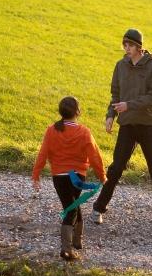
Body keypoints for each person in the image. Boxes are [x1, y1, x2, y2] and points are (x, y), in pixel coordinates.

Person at [91, 28, 152, 228]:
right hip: (128, 124)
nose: (126, 48)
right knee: (116, 167)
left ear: (139, 46)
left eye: (130, 45)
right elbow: (115, 95)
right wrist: (111, 115)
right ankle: (99, 208)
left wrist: (129, 105)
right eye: (124, 45)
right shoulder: (120, 66)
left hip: (149, 124)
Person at [32, 96, 106, 261]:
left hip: (59, 176)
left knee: (73, 205)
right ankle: (66, 250)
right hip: (76, 176)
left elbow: (42, 154)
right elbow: (95, 156)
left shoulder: (52, 130)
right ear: (78, 112)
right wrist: (102, 176)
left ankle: (77, 241)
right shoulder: (84, 132)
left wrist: (36, 174)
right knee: (72, 207)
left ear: (61, 112)